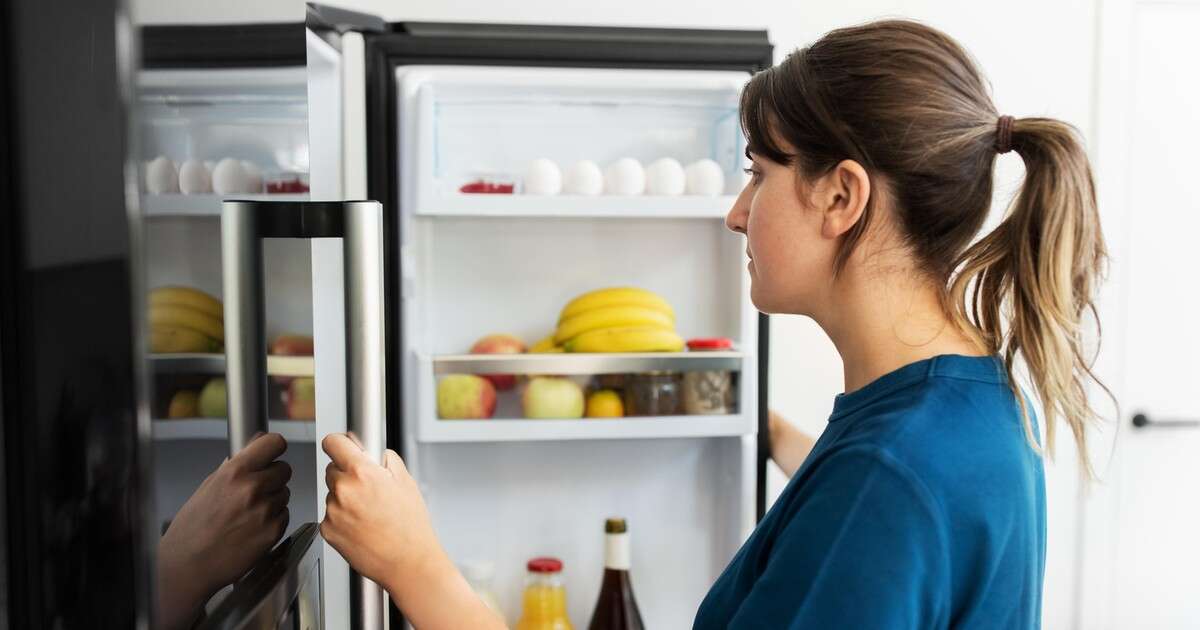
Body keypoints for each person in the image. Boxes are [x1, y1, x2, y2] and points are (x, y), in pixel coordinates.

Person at [318, 18, 1108, 629]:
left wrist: (418, 570)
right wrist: (781, 439)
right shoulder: (973, 402)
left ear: (842, 197)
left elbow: (885, 506)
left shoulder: (887, 477)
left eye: (758, 174)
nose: (735, 214)